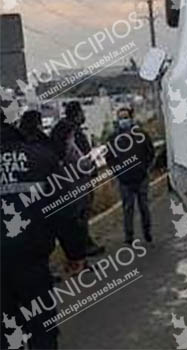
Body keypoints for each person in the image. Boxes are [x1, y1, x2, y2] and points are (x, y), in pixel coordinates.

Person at [1, 107, 86, 349]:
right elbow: (64, 212)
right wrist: (75, 253)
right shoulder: (40, 157)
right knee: (41, 331)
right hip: (32, 264)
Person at [50, 101, 105, 257]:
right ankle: (81, 248)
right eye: (82, 112)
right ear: (76, 113)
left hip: (80, 179)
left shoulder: (70, 129)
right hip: (75, 180)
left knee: (82, 214)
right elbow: (74, 155)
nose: (84, 116)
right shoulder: (67, 130)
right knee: (79, 215)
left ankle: (84, 245)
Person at [106, 107, 155, 245]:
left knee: (144, 207)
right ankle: (129, 236)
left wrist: (146, 170)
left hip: (141, 178)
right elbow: (109, 159)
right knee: (128, 209)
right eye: (121, 118)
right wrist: (117, 174)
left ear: (131, 118)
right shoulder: (113, 138)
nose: (124, 121)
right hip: (124, 180)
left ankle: (147, 233)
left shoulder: (141, 135)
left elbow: (150, 153)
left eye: (126, 117)